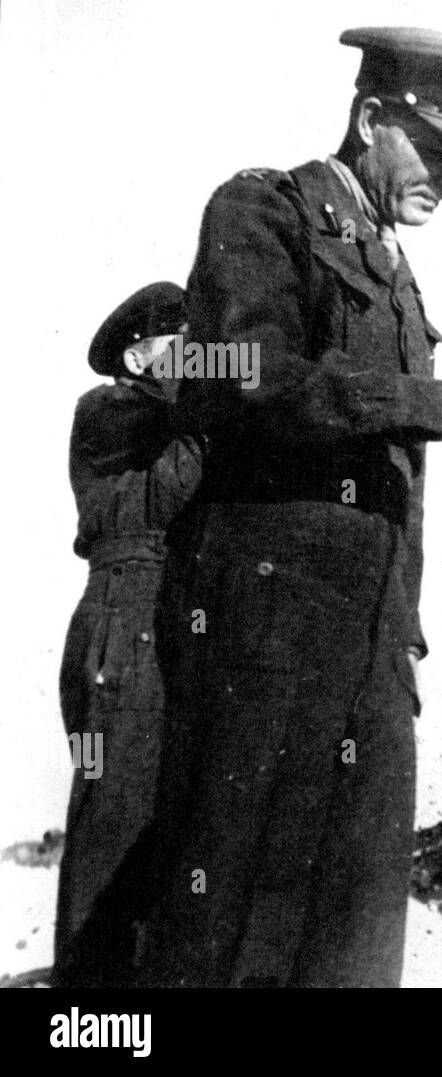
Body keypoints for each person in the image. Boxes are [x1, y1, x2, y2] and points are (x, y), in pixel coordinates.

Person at [140, 27, 442, 988]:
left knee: (353, 937)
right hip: (266, 638)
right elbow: (231, 375)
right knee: (228, 922)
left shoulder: (389, 259)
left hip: (368, 646)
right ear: (371, 119)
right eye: (437, 150)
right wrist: (426, 404)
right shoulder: (261, 210)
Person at [54, 282, 200, 987]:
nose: (199, 358)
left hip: (151, 623)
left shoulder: (163, 410)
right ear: (138, 355)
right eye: (182, 344)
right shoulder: (108, 411)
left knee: (153, 822)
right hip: (122, 623)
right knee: (110, 816)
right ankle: (88, 1005)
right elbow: (164, 483)